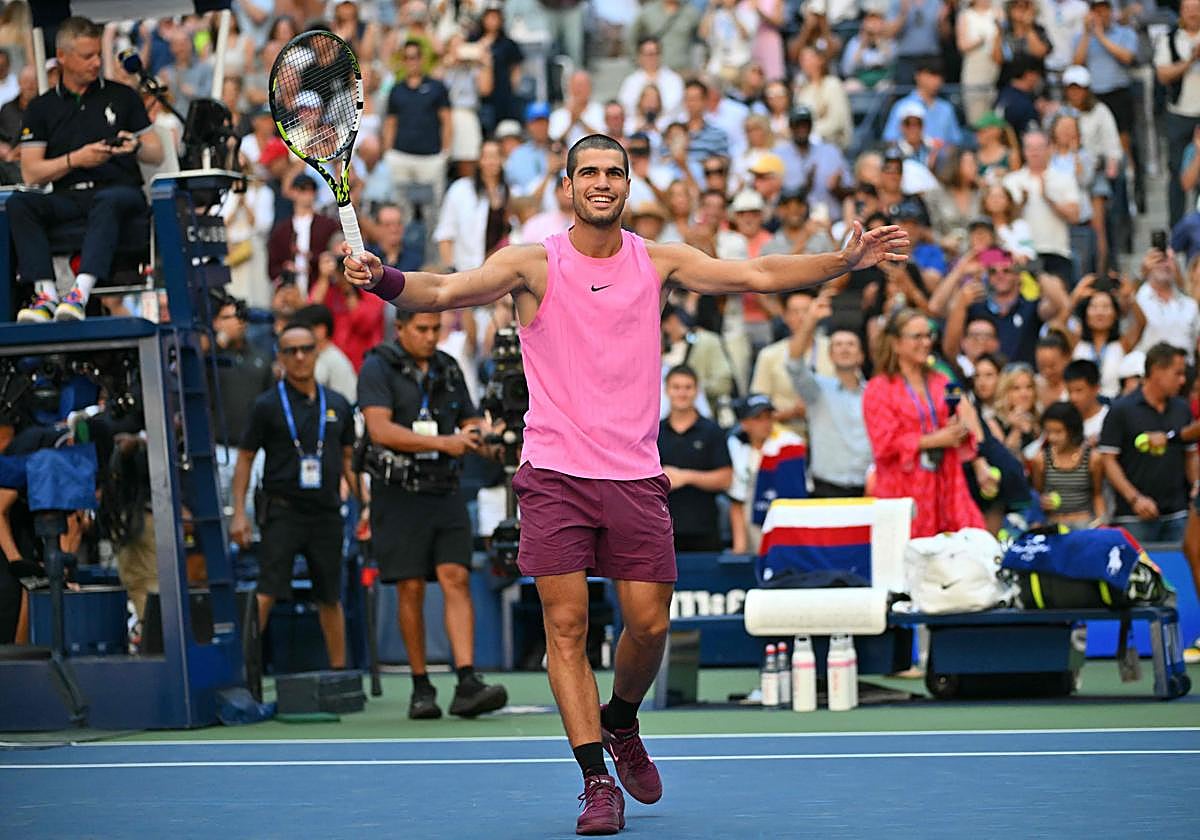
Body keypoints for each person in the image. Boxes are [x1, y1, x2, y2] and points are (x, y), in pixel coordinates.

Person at [340, 133, 908, 834]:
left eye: (614, 172)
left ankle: (621, 720)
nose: (602, 182)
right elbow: (446, 289)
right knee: (568, 627)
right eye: (590, 172)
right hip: (553, 472)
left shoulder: (659, 261)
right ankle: (594, 780)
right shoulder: (530, 263)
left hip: (636, 473)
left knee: (648, 625)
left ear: (628, 186)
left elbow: (758, 276)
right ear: (568, 186)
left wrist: (842, 260)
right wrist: (383, 277)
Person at [356, 309, 509, 720]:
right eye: (420, 329)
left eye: (435, 329)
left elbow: (471, 418)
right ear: (400, 329)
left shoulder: (448, 366)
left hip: (445, 488)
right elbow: (380, 430)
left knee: (456, 576)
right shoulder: (377, 367)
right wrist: (447, 442)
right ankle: (420, 685)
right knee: (409, 587)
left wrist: (481, 434)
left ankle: (466, 679)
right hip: (399, 492)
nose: (429, 336)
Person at [10, 16, 163, 324]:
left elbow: (156, 151)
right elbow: (31, 173)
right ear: (63, 57)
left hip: (119, 192)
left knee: (108, 201)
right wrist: (76, 159)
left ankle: (79, 294)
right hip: (68, 195)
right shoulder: (41, 107)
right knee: (19, 203)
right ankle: (46, 295)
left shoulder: (122, 96)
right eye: (87, 56)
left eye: (97, 54)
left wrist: (134, 145)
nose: (96, 63)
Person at [231, 323, 357, 670]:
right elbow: (244, 459)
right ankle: (244, 670)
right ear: (280, 358)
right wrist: (238, 513)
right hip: (283, 511)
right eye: (291, 351)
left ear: (317, 352)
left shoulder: (338, 404)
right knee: (267, 590)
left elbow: (349, 460)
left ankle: (338, 673)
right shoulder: (266, 405)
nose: (299, 357)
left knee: (330, 595)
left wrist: (366, 505)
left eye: (306, 349)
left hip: (327, 511)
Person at [863, 308, 993, 537]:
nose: (925, 342)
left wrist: (961, 434)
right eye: (917, 337)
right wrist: (935, 440)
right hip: (904, 487)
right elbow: (883, 444)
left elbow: (962, 421)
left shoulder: (940, 380)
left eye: (929, 335)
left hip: (946, 483)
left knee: (962, 551)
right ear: (895, 343)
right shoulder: (879, 388)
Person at [1098, 343, 1198, 544]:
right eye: (1177, 373)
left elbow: (1190, 454)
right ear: (1156, 371)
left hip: (1178, 513)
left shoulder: (1182, 408)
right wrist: (1135, 498)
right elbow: (1108, 461)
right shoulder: (1121, 410)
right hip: (1133, 516)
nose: (1183, 380)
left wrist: (1196, 485)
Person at [786, 288, 871, 497]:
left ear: (861, 355)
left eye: (851, 345)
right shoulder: (817, 391)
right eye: (838, 345)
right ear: (830, 355)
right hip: (827, 488)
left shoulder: (874, 394)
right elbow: (794, 363)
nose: (844, 349)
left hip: (869, 486)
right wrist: (811, 320)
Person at [657, 365, 733, 552]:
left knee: (706, 581)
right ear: (667, 390)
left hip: (704, 529)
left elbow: (726, 478)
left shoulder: (712, 431)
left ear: (697, 390)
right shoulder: (654, 432)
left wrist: (685, 477)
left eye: (688, 387)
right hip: (661, 529)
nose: (682, 393)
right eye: (676, 387)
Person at [1155, 0, 1200, 227]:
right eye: (1188, 8)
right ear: (1181, 12)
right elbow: (1163, 75)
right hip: (1179, 114)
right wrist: (1191, 60)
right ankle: (1177, 230)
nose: (1193, 13)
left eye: (1197, 8)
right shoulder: (1169, 39)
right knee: (1176, 174)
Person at [1031, 401, 1105, 528]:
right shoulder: (1040, 459)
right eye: (1048, 432)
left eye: (1058, 432)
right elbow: (1038, 493)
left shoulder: (1093, 458)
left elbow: (1097, 494)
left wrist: (1101, 523)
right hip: (1053, 526)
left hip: (1084, 524)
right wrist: (1043, 502)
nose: (1052, 437)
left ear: (1072, 430)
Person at [292, 303, 358, 404]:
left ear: (321, 330)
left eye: (304, 329)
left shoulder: (335, 361)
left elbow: (347, 401)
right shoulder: (310, 357)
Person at [1063, 358, 1109, 446]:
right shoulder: (1064, 420)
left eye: (1079, 390)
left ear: (1096, 389)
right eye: (1069, 391)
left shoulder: (1109, 418)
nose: (1073, 397)